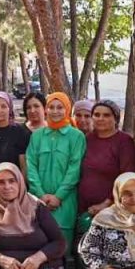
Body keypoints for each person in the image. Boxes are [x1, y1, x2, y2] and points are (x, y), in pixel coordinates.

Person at [25, 92, 87, 249]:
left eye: (60, 107)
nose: (55, 111)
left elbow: (75, 169)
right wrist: (40, 194)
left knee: (62, 249)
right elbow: (31, 166)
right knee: (38, 245)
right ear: (46, 109)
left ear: (67, 109)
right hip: (38, 202)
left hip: (64, 204)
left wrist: (58, 197)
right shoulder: (37, 136)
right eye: (51, 107)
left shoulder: (76, 136)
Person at [77, 100, 135, 237]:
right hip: (83, 209)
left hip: (110, 210)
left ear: (115, 118)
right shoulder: (87, 139)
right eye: (96, 115)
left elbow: (127, 177)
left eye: (106, 115)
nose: (100, 119)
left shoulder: (124, 142)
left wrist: (107, 203)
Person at [0, 91, 31, 174]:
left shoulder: (20, 132)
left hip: (13, 183)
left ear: (10, 109)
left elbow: (24, 166)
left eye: (4, 106)